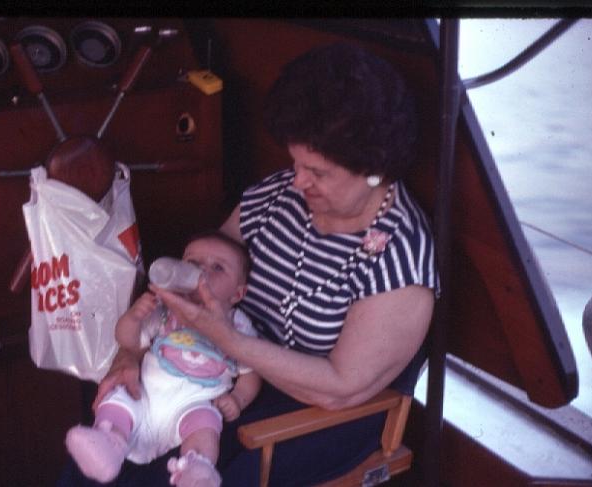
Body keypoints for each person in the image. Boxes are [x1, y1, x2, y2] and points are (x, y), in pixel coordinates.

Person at [59, 42, 438, 486]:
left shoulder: (401, 260)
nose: (297, 181)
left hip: (314, 410)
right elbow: (202, 276)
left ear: (374, 167)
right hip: (216, 367)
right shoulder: (276, 198)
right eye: (295, 162)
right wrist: (130, 353)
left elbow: (341, 387)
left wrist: (231, 346)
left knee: (163, 473)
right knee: (111, 436)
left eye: (317, 171)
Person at [64, 230, 261, 486]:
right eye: (192, 264)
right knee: (118, 398)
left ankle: (195, 471)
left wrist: (238, 398)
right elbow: (128, 341)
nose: (202, 273)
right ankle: (107, 446)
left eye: (217, 267)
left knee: (207, 424)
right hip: (145, 394)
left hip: (193, 403)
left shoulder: (238, 326)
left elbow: (251, 370)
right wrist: (134, 317)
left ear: (237, 294)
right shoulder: (167, 311)